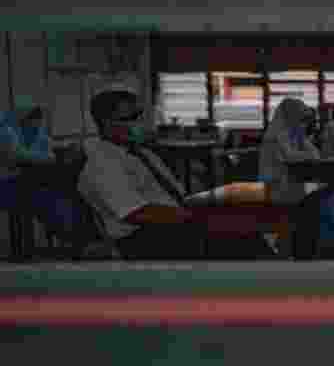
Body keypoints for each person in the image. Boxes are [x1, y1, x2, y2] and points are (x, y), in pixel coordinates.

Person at [78, 87, 275, 260]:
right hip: (144, 238)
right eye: (129, 118)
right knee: (238, 238)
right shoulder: (102, 163)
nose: (139, 123)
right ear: (105, 122)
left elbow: (176, 196)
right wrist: (196, 218)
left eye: (139, 115)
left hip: (171, 225)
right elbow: (137, 213)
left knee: (242, 221)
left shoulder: (142, 154)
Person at [259, 98, 334, 252]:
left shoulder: (292, 132)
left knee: (325, 193)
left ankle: (332, 239)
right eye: (300, 118)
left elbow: (315, 154)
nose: (302, 122)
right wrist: (304, 148)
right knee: (321, 194)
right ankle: (329, 240)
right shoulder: (275, 135)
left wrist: (303, 139)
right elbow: (290, 157)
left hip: (291, 181)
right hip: (276, 185)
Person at [0, 97, 78, 242]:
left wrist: (68, 148)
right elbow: (18, 157)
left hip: (24, 181)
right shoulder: (7, 134)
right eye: (31, 119)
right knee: (36, 196)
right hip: (6, 184)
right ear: (21, 119)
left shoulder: (37, 135)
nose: (36, 123)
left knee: (57, 192)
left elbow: (50, 147)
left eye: (38, 119)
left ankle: (69, 234)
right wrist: (52, 159)